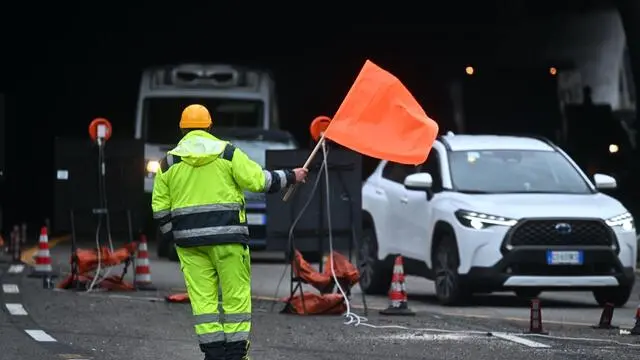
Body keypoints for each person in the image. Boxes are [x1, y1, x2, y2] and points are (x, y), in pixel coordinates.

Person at [151, 104, 308, 360]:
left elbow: (159, 210)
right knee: (235, 299)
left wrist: (175, 237)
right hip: (228, 241)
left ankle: (213, 355)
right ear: (210, 127)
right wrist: (291, 175)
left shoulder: (168, 163)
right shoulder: (227, 153)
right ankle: (235, 355)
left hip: (190, 245)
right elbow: (260, 181)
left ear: (182, 129)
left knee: (204, 303)